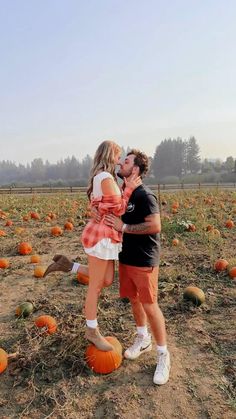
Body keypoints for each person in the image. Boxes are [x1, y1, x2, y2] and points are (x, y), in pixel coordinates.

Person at [44, 148, 170, 384]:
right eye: (121, 158)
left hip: (144, 259)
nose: (121, 162)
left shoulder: (144, 195)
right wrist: (93, 209)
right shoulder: (120, 189)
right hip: (124, 257)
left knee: (150, 305)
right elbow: (102, 204)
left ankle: (163, 354)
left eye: (127, 161)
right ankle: (142, 338)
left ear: (137, 169)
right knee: (131, 299)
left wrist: (123, 227)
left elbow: (155, 226)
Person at [44, 140, 141, 352]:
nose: (119, 159)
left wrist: (99, 206)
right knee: (96, 285)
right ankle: (91, 330)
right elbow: (118, 208)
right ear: (109, 155)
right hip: (101, 236)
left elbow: (101, 203)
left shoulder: (105, 177)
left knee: (106, 280)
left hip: (106, 235)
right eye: (117, 154)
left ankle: (69, 266)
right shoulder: (105, 177)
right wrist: (130, 188)